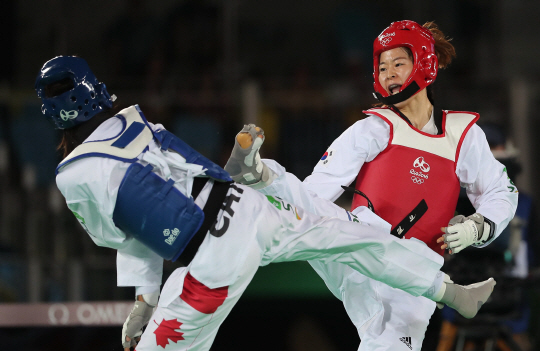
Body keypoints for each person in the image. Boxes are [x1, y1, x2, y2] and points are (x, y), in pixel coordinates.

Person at [34, 56, 496, 351]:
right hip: (244, 210)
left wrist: (145, 295)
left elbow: (121, 231)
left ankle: (258, 172)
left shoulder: (77, 174)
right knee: (351, 236)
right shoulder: (140, 126)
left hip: (214, 260)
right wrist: (143, 297)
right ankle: (451, 293)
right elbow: (188, 178)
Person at [225, 20, 517, 351]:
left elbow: (502, 192)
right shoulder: (373, 129)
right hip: (359, 242)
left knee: (388, 344)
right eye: (382, 66)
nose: (388, 73)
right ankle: (259, 176)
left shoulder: (462, 135)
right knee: (318, 216)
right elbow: (315, 194)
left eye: (398, 63)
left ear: (426, 65)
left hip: (413, 278)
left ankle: (261, 182)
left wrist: (478, 228)